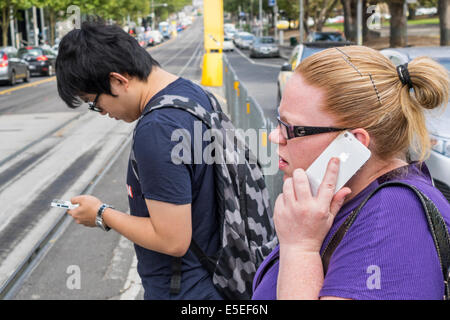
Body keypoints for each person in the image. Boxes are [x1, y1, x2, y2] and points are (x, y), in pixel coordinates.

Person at [252, 45, 450, 300]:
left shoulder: (394, 217)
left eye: (290, 129)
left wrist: (300, 248)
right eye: (278, 122)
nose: (274, 136)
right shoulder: (348, 200)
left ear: (353, 143)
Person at [56, 21, 222, 300]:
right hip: (215, 278)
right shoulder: (193, 93)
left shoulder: (157, 129)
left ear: (118, 80)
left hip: (184, 290)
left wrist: (101, 214)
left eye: (93, 101)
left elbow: (172, 240)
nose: (100, 111)